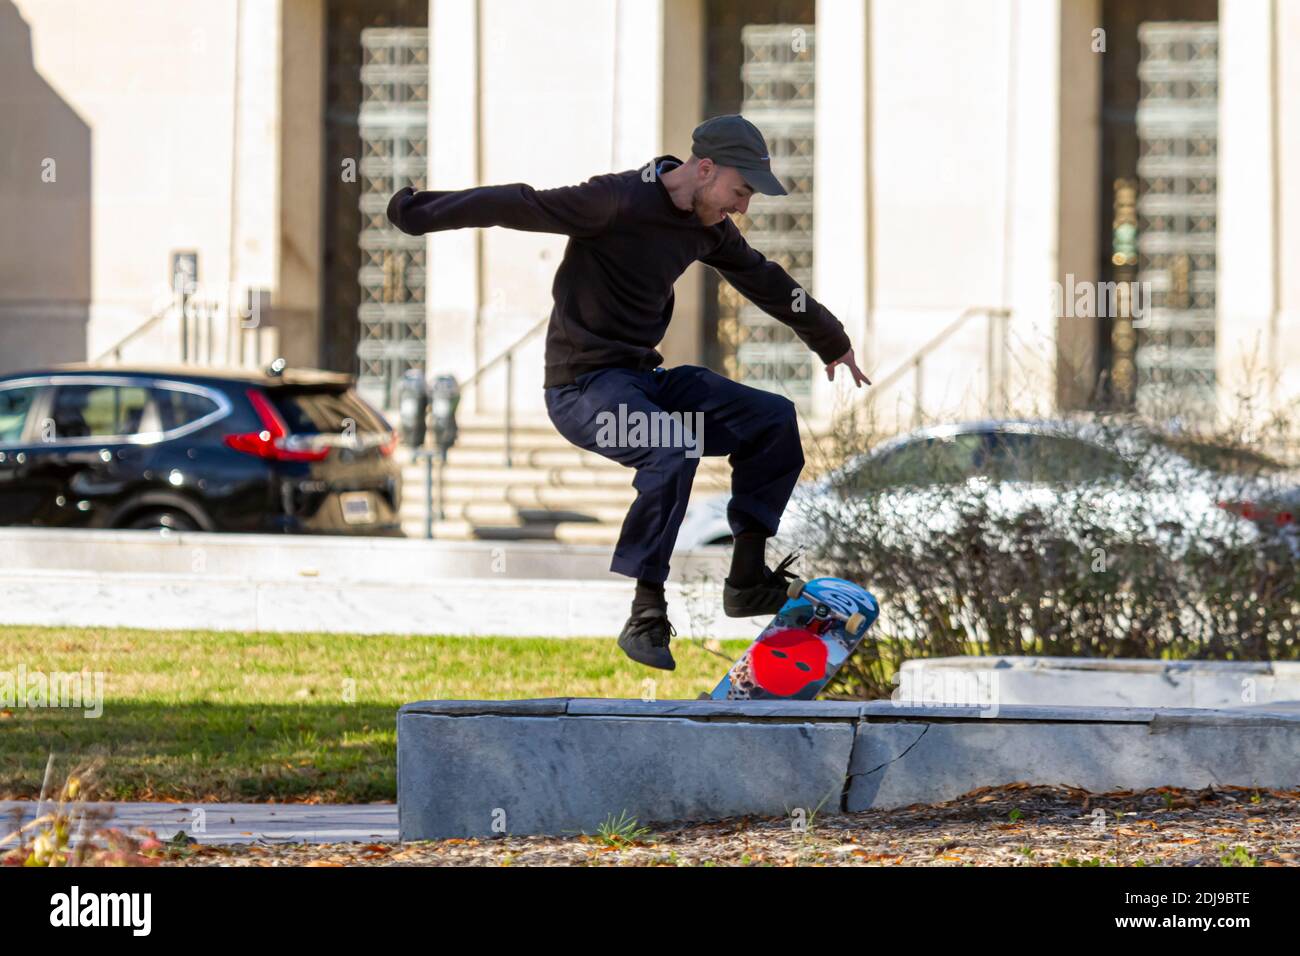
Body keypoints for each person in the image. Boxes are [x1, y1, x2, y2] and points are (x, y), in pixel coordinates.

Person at [387, 114, 869, 671]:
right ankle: (645, 611)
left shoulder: (707, 226)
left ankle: (745, 580)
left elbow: (764, 278)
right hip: (582, 389)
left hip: (644, 380)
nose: (742, 208)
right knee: (672, 448)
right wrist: (416, 213)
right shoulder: (614, 200)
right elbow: (516, 203)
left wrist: (831, 341)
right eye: (740, 192)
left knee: (772, 420)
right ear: (705, 169)